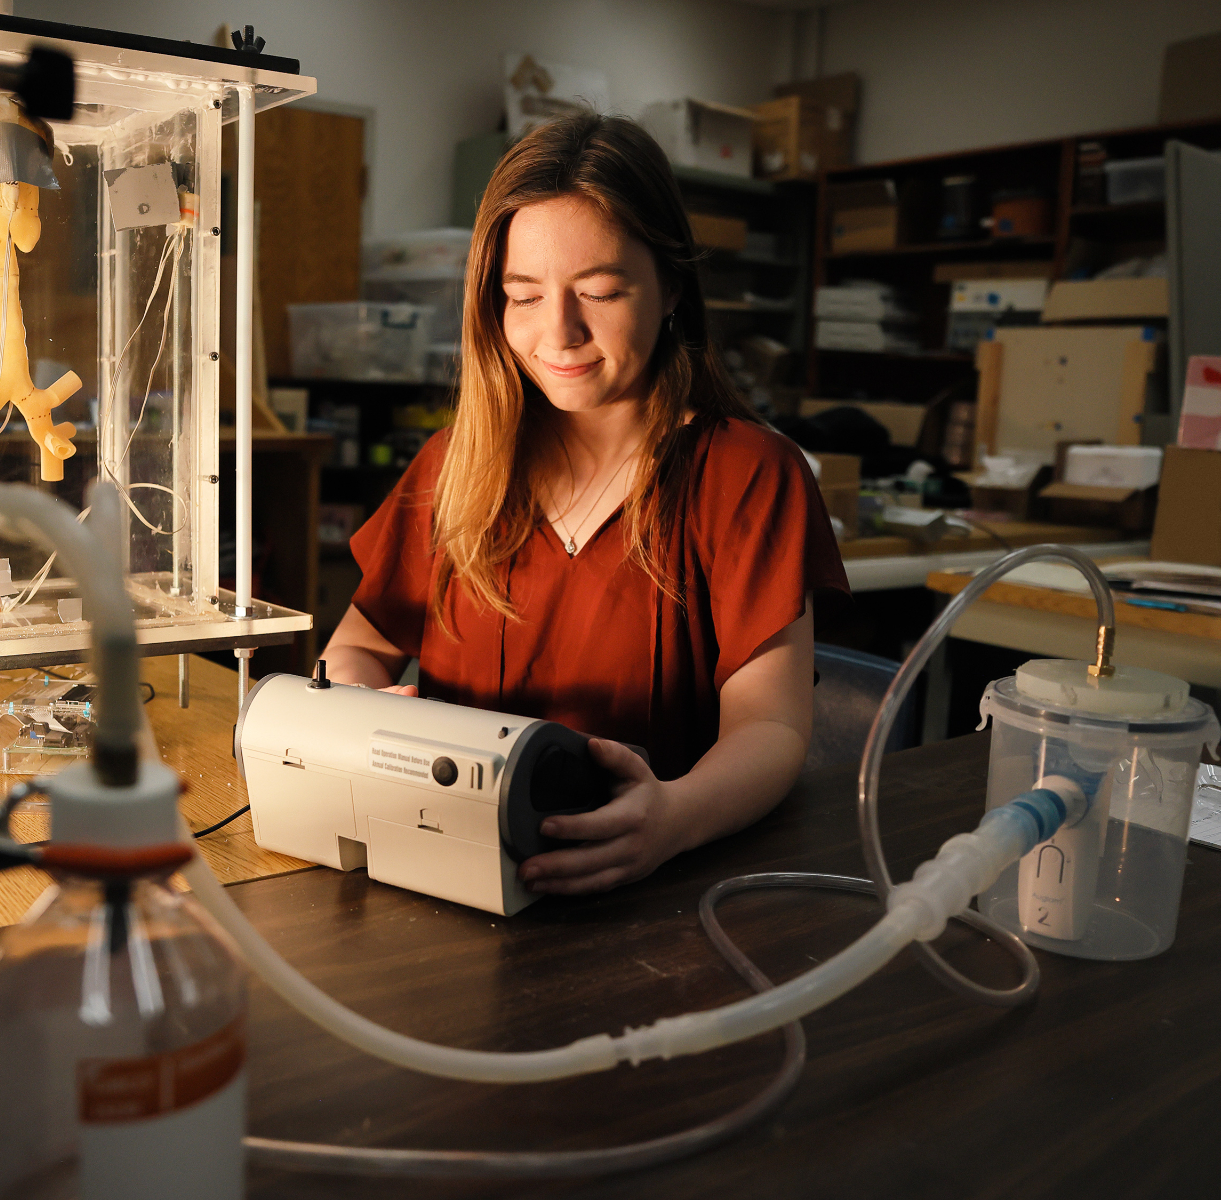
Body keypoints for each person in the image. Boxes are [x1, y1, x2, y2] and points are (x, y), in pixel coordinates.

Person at [321, 114, 850, 896]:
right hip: (447, 877)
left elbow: (771, 729)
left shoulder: (745, 474)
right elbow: (357, 647)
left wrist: (673, 816)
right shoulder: (452, 464)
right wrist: (359, 708)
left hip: (650, 895)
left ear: (671, 286)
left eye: (600, 291)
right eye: (523, 296)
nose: (558, 333)